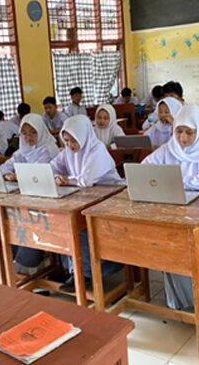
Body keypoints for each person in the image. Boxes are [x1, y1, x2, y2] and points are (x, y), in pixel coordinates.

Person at [142, 104, 199, 311]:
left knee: (194, 240)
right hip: (174, 212)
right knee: (168, 237)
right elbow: (144, 168)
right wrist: (180, 180)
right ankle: (181, 297)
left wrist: (171, 179)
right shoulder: (170, 148)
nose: (183, 138)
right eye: (179, 131)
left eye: (189, 132)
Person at [0, 114, 62, 280]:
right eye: (24, 133)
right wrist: (8, 174)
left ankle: (25, 261)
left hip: (49, 200)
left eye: (33, 132)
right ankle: (10, 258)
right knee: (7, 215)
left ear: (40, 131)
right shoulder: (21, 150)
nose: (28, 137)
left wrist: (16, 175)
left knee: (24, 217)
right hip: (27, 196)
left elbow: (39, 173)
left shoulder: (48, 149)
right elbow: (4, 167)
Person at [51, 115, 124, 292]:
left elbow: (86, 180)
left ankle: (86, 273)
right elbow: (53, 166)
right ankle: (72, 269)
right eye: (66, 140)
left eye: (73, 140)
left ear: (83, 135)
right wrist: (55, 176)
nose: (69, 145)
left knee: (81, 226)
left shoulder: (96, 149)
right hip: (84, 198)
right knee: (63, 222)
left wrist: (65, 180)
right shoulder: (68, 151)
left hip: (110, 198)